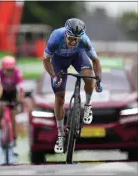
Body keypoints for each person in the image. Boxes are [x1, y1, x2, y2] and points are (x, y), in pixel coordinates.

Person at [43, 18, 103, 153]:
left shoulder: (85, 41)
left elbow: (96, 61)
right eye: (70, 38)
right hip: (58, 61)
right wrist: (54, 76)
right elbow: (46, 60)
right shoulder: (55, 37)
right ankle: (60, 134)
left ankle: (87, 105)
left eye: (76, 39)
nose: (73, 41)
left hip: (77, 57)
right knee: (59, 96)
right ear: (65, 34)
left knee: (89, 78)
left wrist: (99, 79)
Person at [0, 55, 25, 156]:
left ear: (14, 68)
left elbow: (21, 88)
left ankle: (15, 141)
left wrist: (20, 100)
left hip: (13, 93)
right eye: (6, 70)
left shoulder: (18, 73)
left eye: (10, 70)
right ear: (3, 68)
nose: (8, 72)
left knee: (14, 116)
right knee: (1, 106)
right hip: (3, 92)